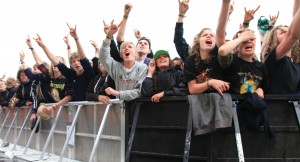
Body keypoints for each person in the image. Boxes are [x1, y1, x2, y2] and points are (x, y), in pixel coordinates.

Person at [174, 0, 230, 95]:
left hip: (220, 102)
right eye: (205, 35)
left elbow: (221, 34)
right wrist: (181, 14)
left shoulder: (219, 55)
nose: (208, 36)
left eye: (212, 35)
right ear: (198, 42)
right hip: (199, 104)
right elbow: (178, 40)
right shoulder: (190, 58)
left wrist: (227, 12)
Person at [35, 24, 95, 101]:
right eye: (73, 61)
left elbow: (83, 57)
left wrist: (76, 38)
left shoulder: (88, 72)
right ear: (71, 64)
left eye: (78, 61)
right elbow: (56, 61)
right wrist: (43, 46)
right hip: (77, 110)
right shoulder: (71, 74)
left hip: (90, 109)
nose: (76, 63)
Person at [99, 20, 148, 101]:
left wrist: (117, 93)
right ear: (121, 55)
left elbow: (139, 91)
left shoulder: (143, 68)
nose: (126, 48)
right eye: (124, 48)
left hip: (138, 109)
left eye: (130, 47)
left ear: (136, 54)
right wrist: (109, 35)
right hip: (121, 109)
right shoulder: (116, 67)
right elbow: (103, 57)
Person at [260, 0, 300, 94]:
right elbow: (293, 35)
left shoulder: (296, 63)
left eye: (287, 32)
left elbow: (296, 26)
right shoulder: (274, 57)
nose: (287, 35)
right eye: (283, 33)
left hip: (293, 107)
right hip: (276, 107)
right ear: (273, 39)